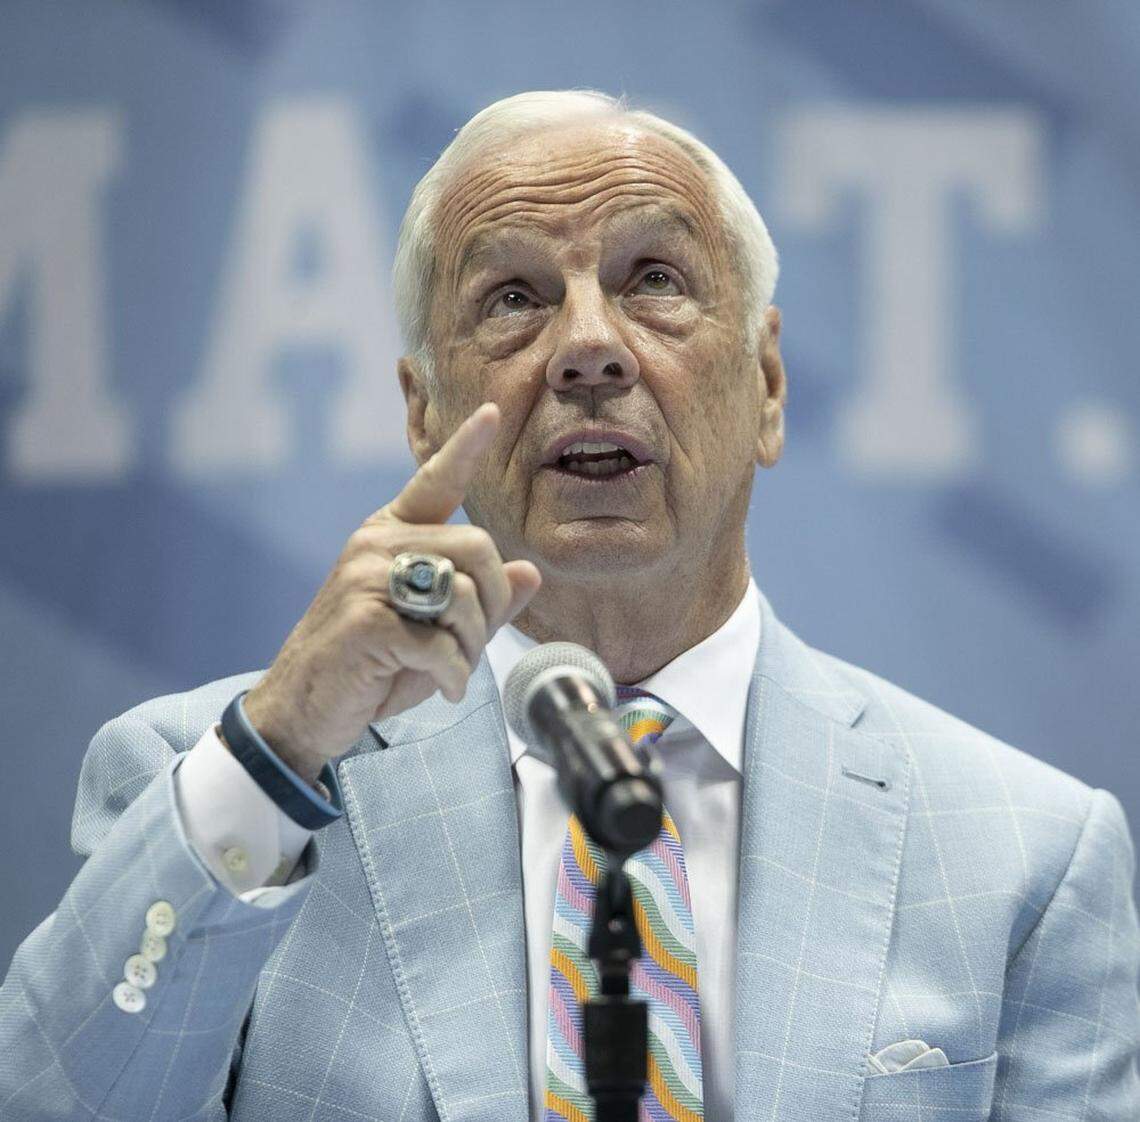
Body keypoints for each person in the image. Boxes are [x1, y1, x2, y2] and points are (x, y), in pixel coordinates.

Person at [1, 89, 1137, 1122]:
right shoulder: (226, 787)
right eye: (512, 297)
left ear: (770, 387)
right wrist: (283, 739)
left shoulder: (1024, 858)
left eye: (655, 281)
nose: (589, 347)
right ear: (423, 414)